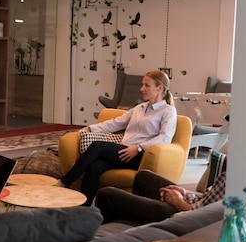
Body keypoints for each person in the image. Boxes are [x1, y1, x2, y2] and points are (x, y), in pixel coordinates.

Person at [57, 70, 177, 205]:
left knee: (98, 146)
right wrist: (90, 128)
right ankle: (84, 206)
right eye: (142, 85)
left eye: (146, 85)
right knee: (95, 166)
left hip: (141, 155)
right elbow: (115, 123)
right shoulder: (139, 108)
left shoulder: (168, 111)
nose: (141, 89)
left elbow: (165, 137)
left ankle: (64, 182)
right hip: (123, 152)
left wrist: (138, 148)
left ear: (159, 88)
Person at [95, 169, 226, 224]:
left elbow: (207, 217)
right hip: (191, 201)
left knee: (107, 194)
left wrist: (178, 201)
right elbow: (209, 197)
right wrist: (185, 191)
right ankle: (138, 224)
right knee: (143, 176)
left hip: (185, 214)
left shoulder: (234, 178)